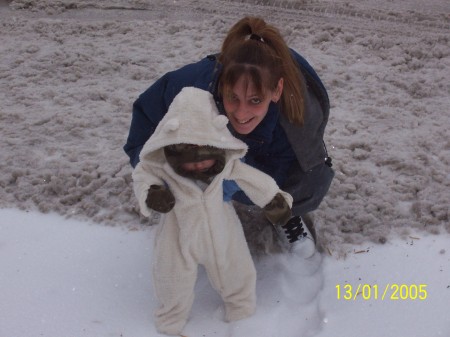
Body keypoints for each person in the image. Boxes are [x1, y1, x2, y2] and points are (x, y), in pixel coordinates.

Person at [124, 16, 334, 251]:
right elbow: (143, 129)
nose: (242, 113)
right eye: (233, 97)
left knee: (309, 179)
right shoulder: (190, 88)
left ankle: (287, 216)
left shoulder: (295, 115)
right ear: (222, 85)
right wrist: (157, 179)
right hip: (209, 144)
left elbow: (293, 166)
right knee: (178, 168)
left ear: (276, 91)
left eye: (255, 100)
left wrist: (264, 193)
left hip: (264, 147)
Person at [132, 87, 295, 335]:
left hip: (222, 227)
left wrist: (273, 199)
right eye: (189, 159)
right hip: (178, 232)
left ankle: (242, 314)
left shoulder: (226, 164)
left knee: (236, 269)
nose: (198, 164)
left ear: (216, 146)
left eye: (205, 158)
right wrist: (152, 192)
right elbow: (143, 175)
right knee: (171, 277)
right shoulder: (164, 167)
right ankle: (170, 319)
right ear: (172, 148)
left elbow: (251, 178)